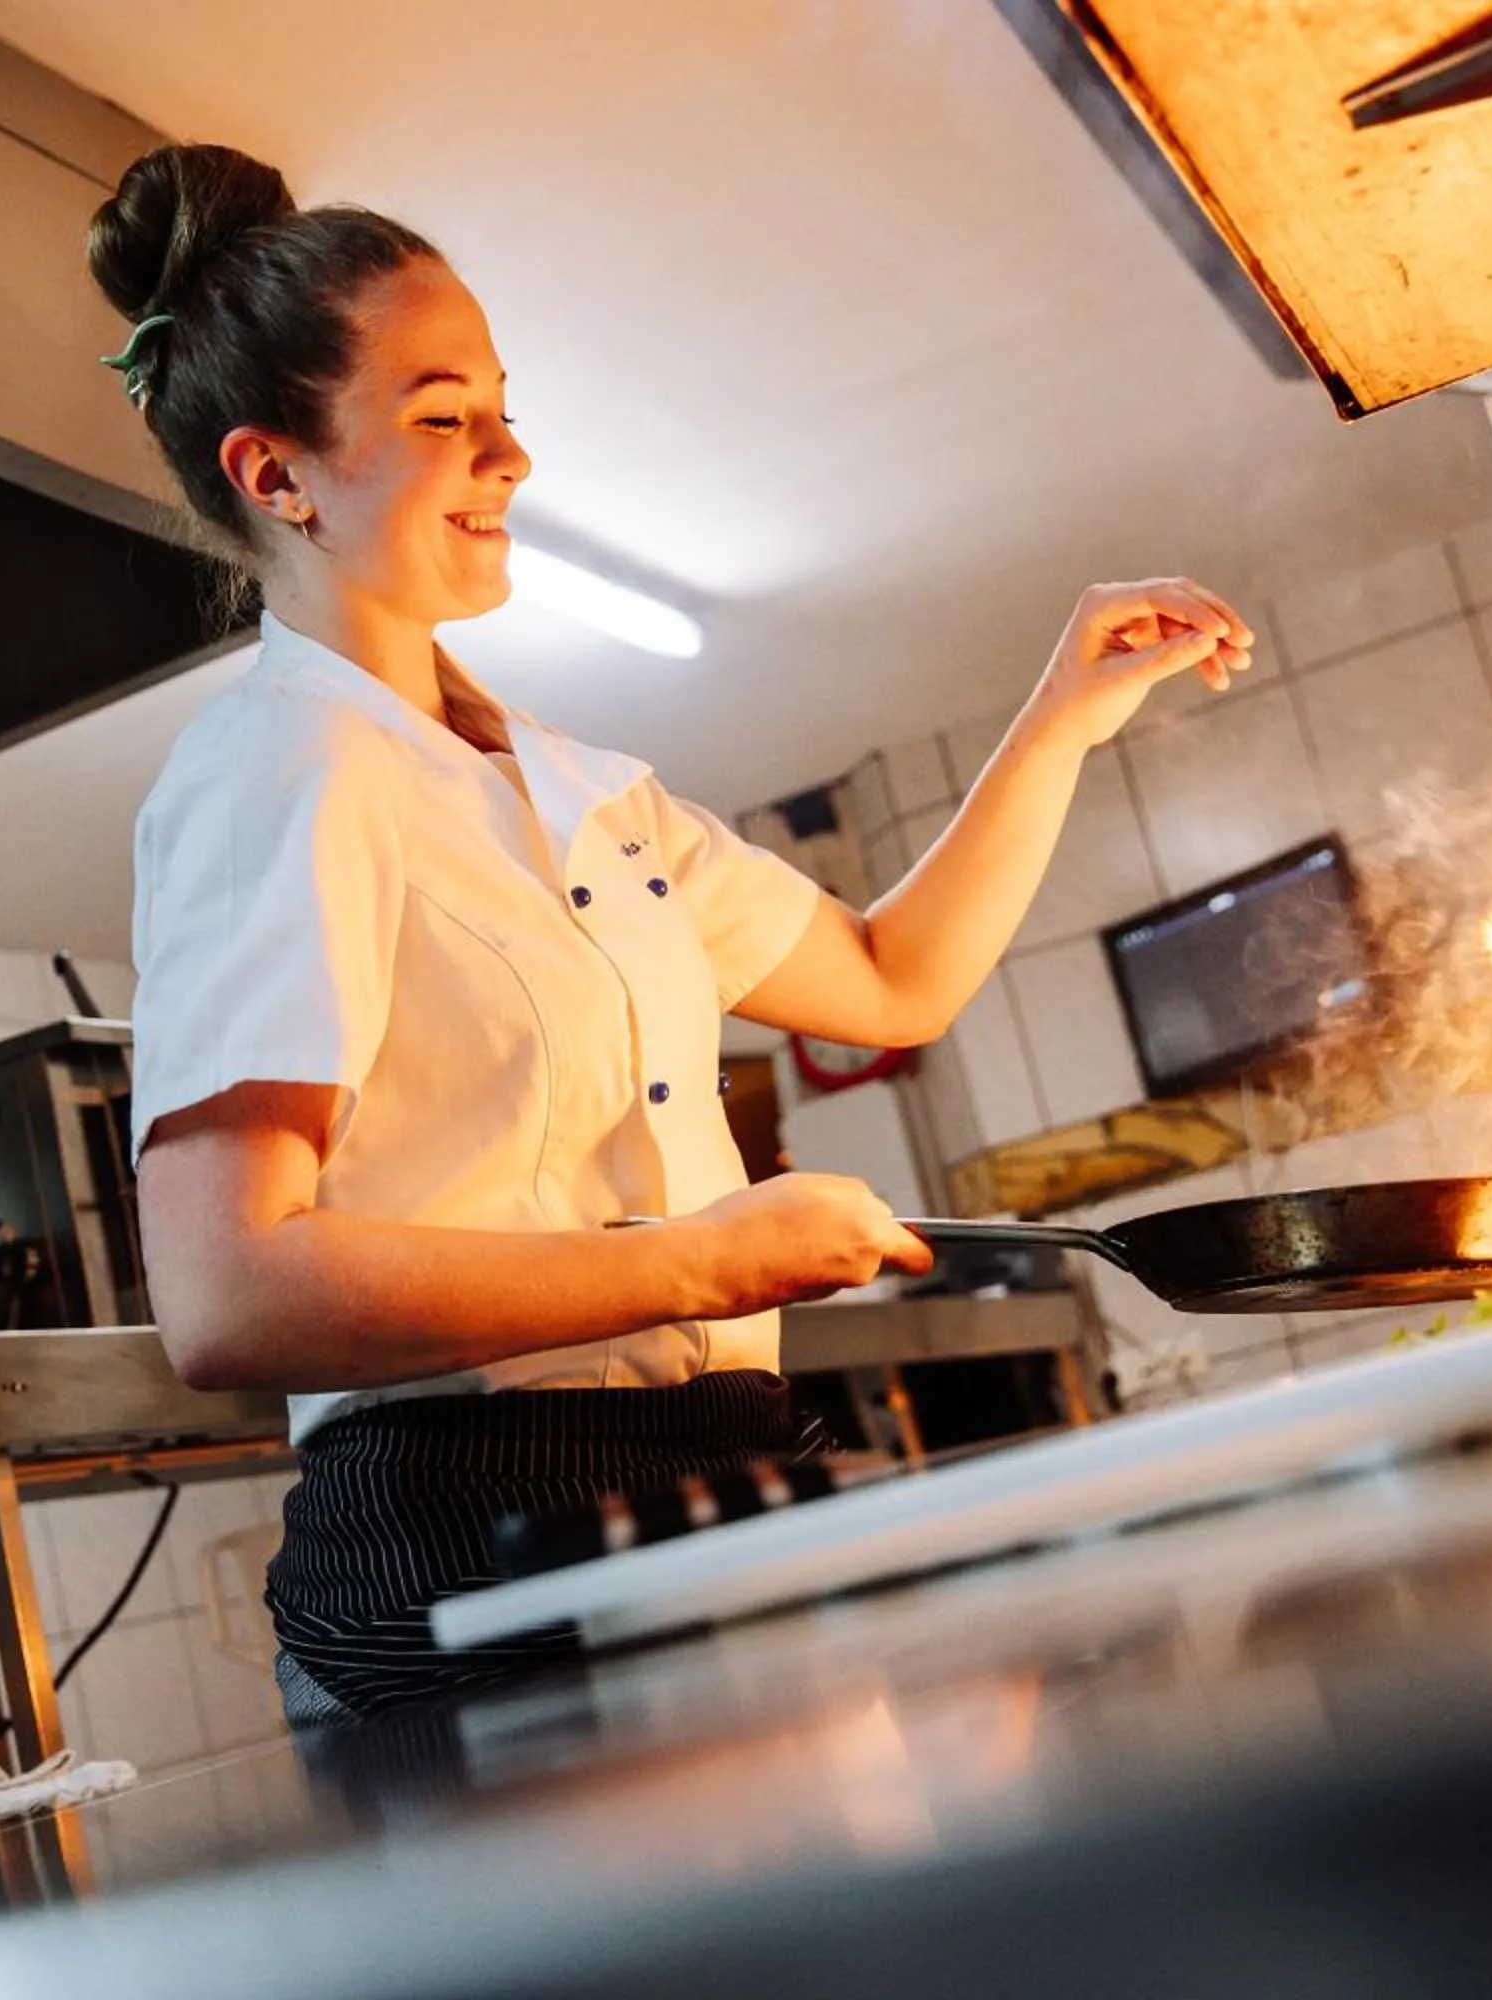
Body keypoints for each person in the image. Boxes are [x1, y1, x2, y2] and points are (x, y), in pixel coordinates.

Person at [93, 143, 1253, 1724]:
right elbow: (229, 1295)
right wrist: (696, 1261)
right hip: (472, 1523)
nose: (510, 455)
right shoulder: (278, 773)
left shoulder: (589, 794)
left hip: (717, 1467)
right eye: (442, 417)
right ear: (278, 476)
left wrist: (1063, 715)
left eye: (503, 407)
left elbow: (891, 982)